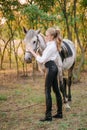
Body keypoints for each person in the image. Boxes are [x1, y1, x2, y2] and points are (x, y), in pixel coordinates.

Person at [28, 27, 63, 122]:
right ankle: (59, 113)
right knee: (56, 90)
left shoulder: (51, 46)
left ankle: (48, 116)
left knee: (47, 90)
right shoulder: (52, 43)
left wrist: (32, 52)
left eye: (47, 35)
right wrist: (40, 35)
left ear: (52, 36)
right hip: (53, 68)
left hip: (50, 68)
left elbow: (42, 59)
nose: (46, 37)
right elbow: (45, 42)